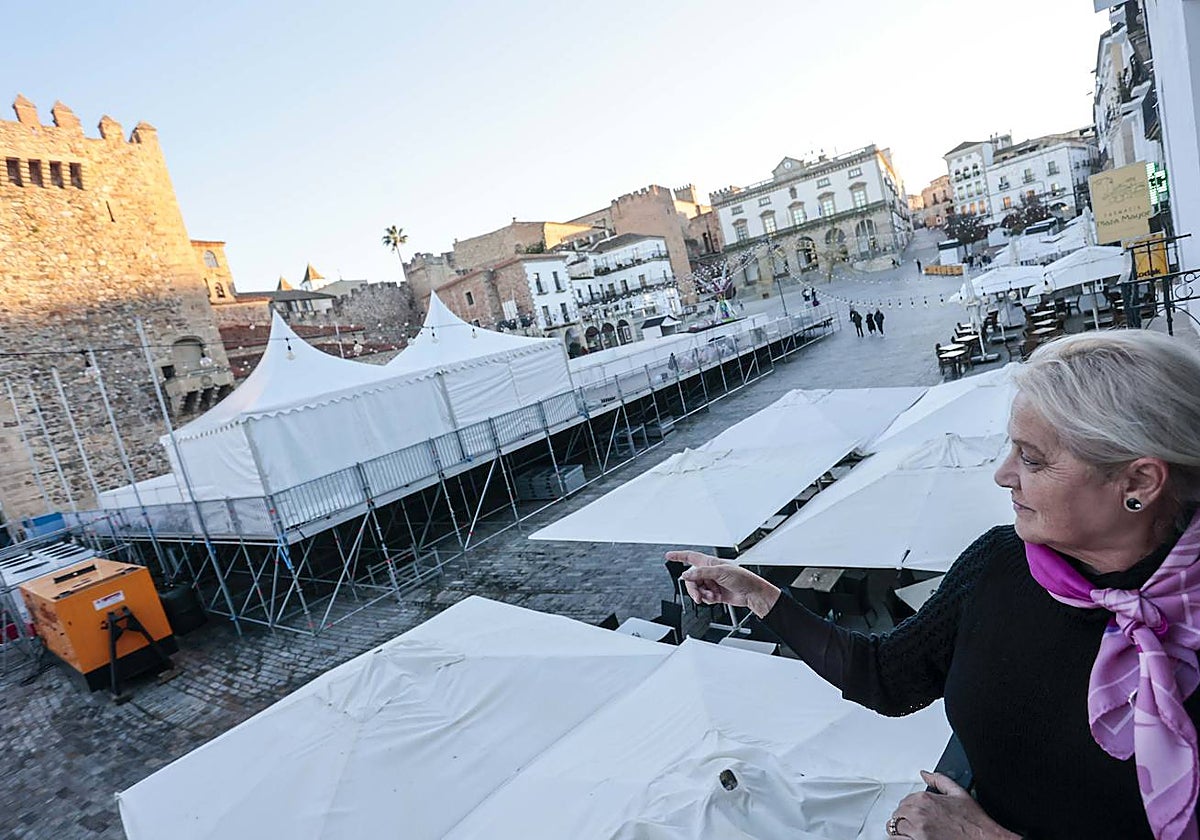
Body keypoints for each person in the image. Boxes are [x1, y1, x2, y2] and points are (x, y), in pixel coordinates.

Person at [670, 331, 1200, 840]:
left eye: (1031, 458)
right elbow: (888, 677)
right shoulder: (999, 562)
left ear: (1138, 482)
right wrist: (759, 595)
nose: (1003, 474)